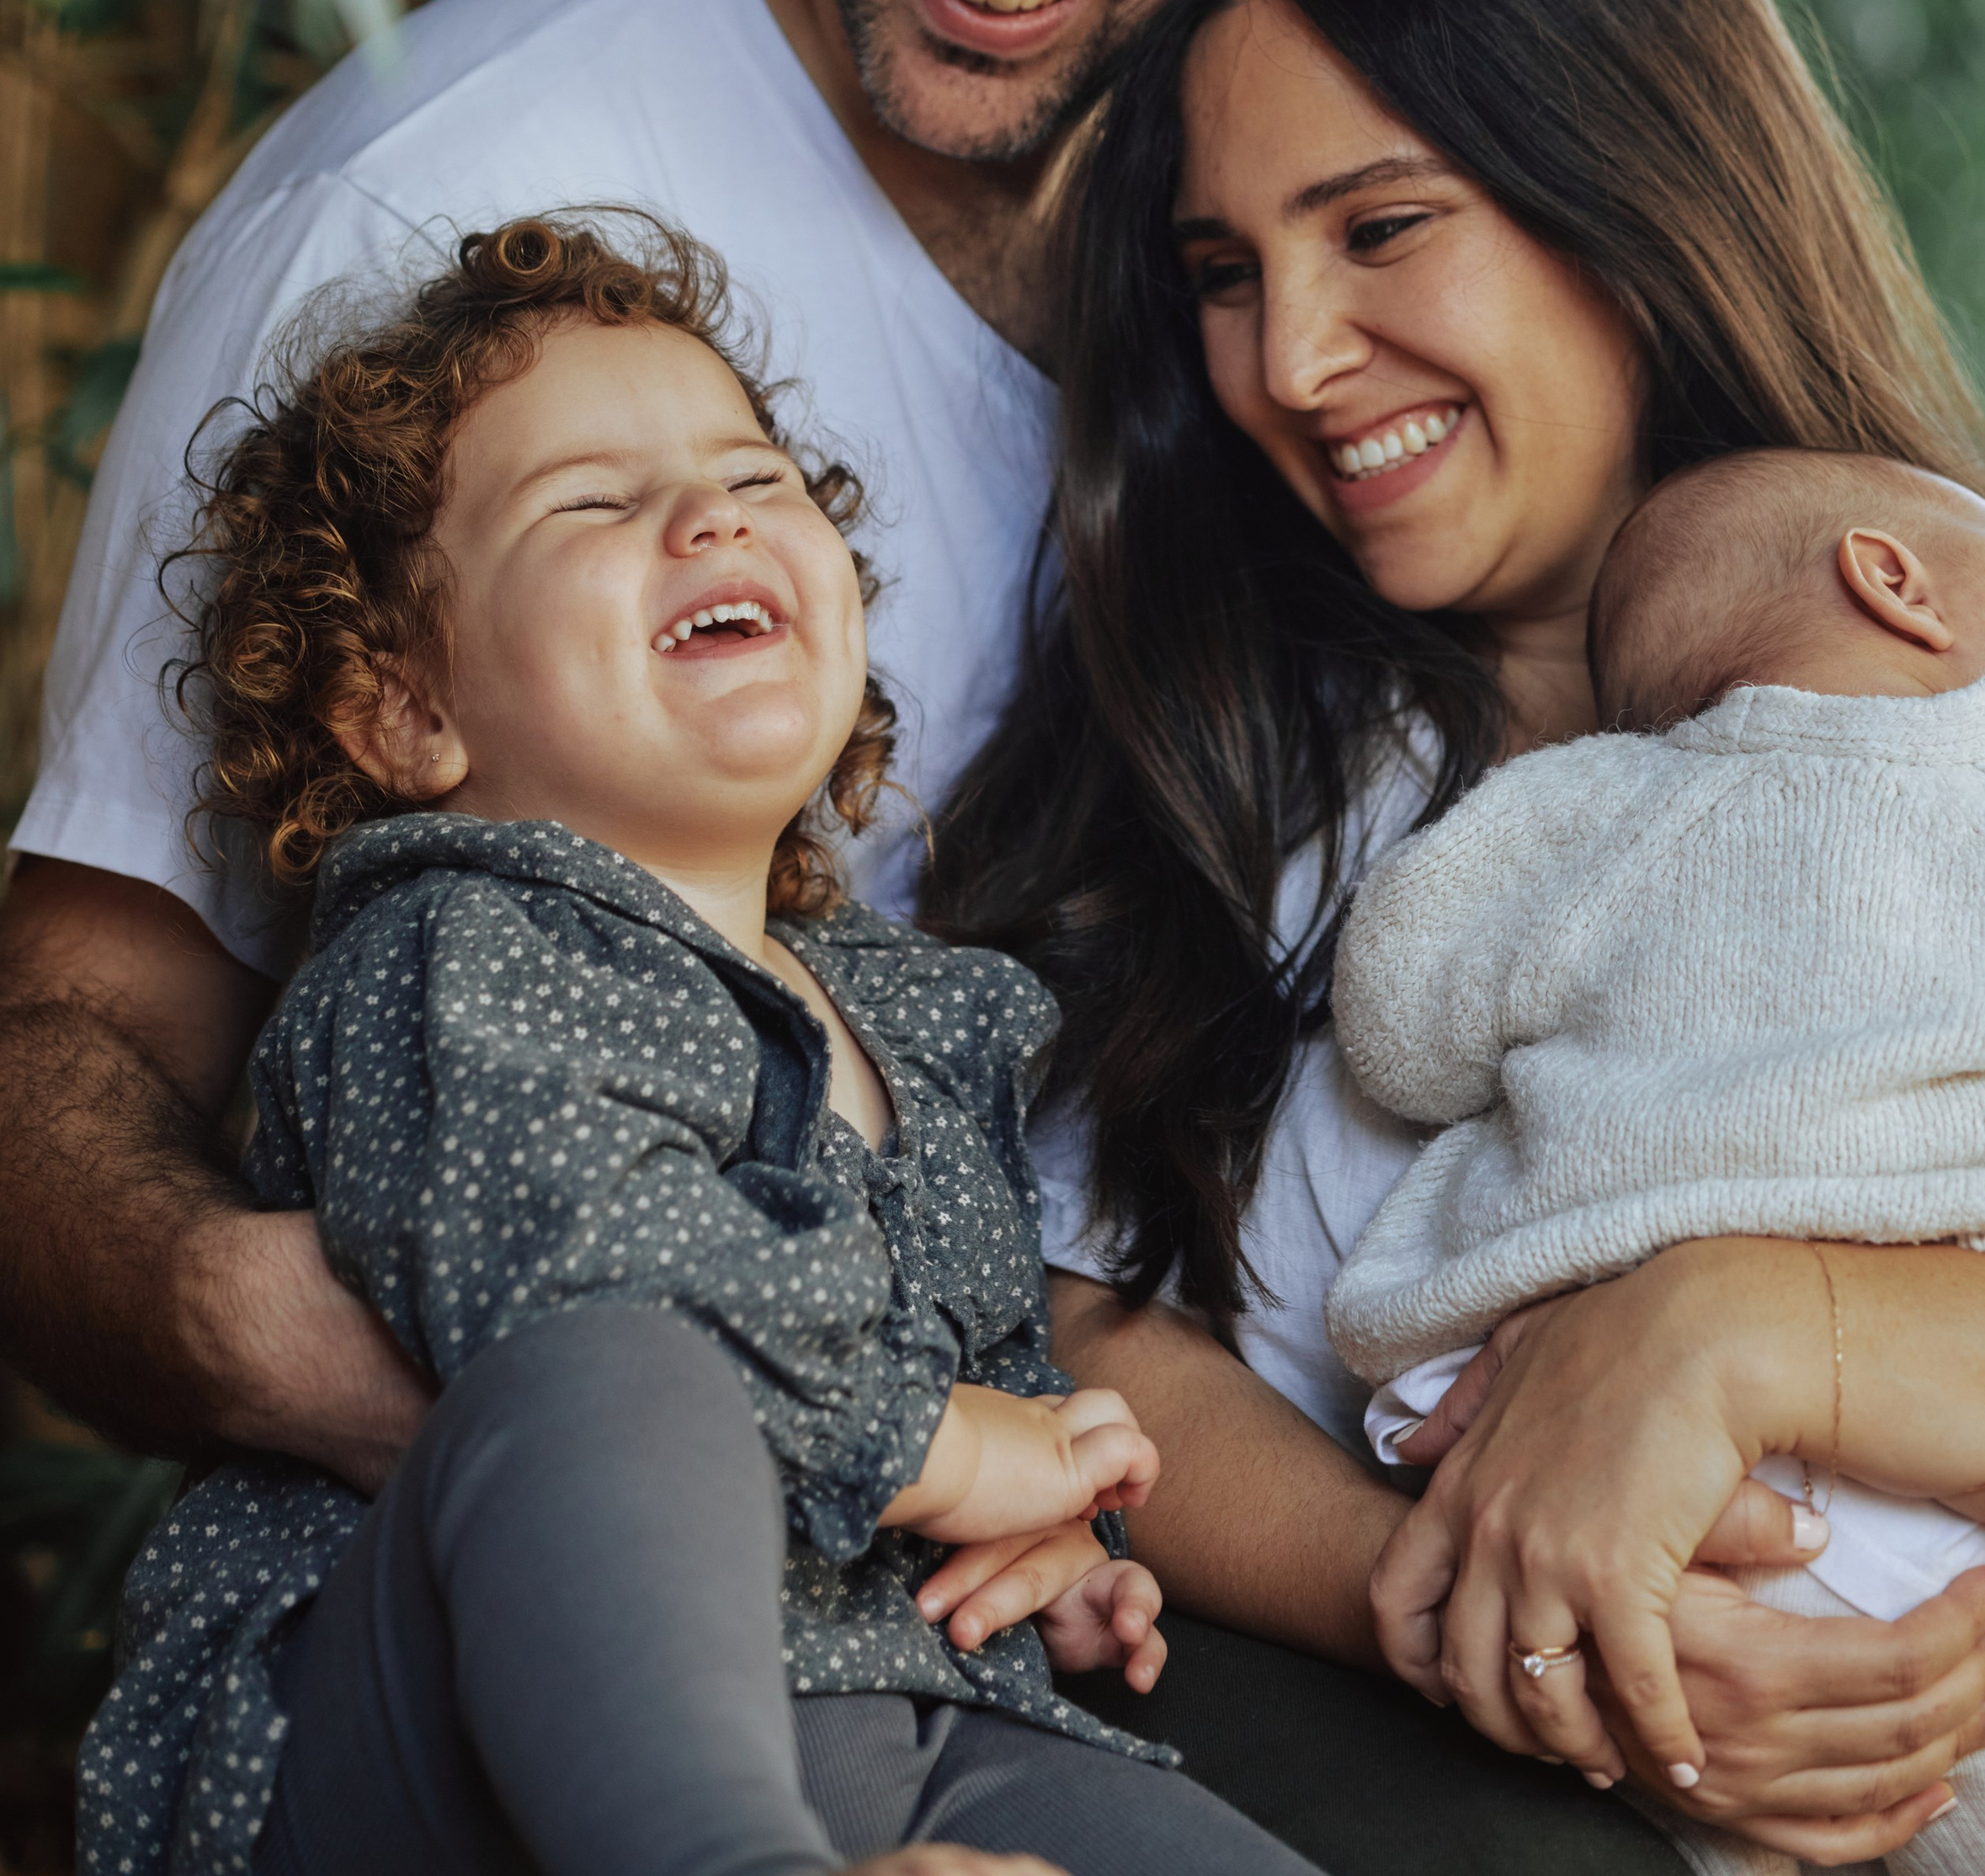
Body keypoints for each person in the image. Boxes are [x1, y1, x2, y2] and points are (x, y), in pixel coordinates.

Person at [0, 0, 1985, 1871]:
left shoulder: (1314, 307)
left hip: (1112, 1569)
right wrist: (336, 1331)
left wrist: (1633, 1477)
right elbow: (73, 1040)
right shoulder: (443, 208)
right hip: (572, 1573)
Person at [929, 0, 1985, 1868]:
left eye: (1383, 227)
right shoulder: (1236, 796)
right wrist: (1476, 1610)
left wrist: (1735, 1330)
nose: (1291, 361)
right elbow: (1075, 1314)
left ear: (1628, 189)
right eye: (1223, 272)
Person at [82, 210, 1324, 1876]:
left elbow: (983, 1365)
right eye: (591, 501)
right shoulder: (455, 950)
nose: (709, 512)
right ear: (407, 707)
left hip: (893, 1711)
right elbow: (579, 1265)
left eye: (758, 480)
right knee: (617, 1355)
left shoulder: (912, 1014)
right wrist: (940, 1447)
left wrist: (1052, 1534)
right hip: (447, 1742)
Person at [1329, 447, 1985, 1876]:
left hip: (1641, 1500)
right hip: (1965, 1447)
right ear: (1893, 582)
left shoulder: (1583, 811)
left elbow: (1400, 1026)